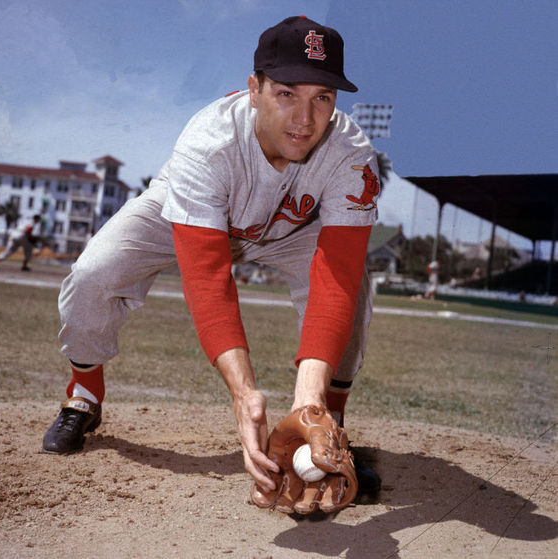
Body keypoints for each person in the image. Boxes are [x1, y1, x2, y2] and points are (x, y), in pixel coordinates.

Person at [42, 16, 381, 505]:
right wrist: (245, 397)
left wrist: (307, 402)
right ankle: (85, 393)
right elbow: (208, 279)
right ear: (254, 89)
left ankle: (330, 422)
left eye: (322, 98)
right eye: (287, 93)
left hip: (291, 230)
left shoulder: (350, 155)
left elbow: (336, 279)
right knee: (95, 273)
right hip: (188, 211)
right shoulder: (209, 142)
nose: (305, 119)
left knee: (356, 295)